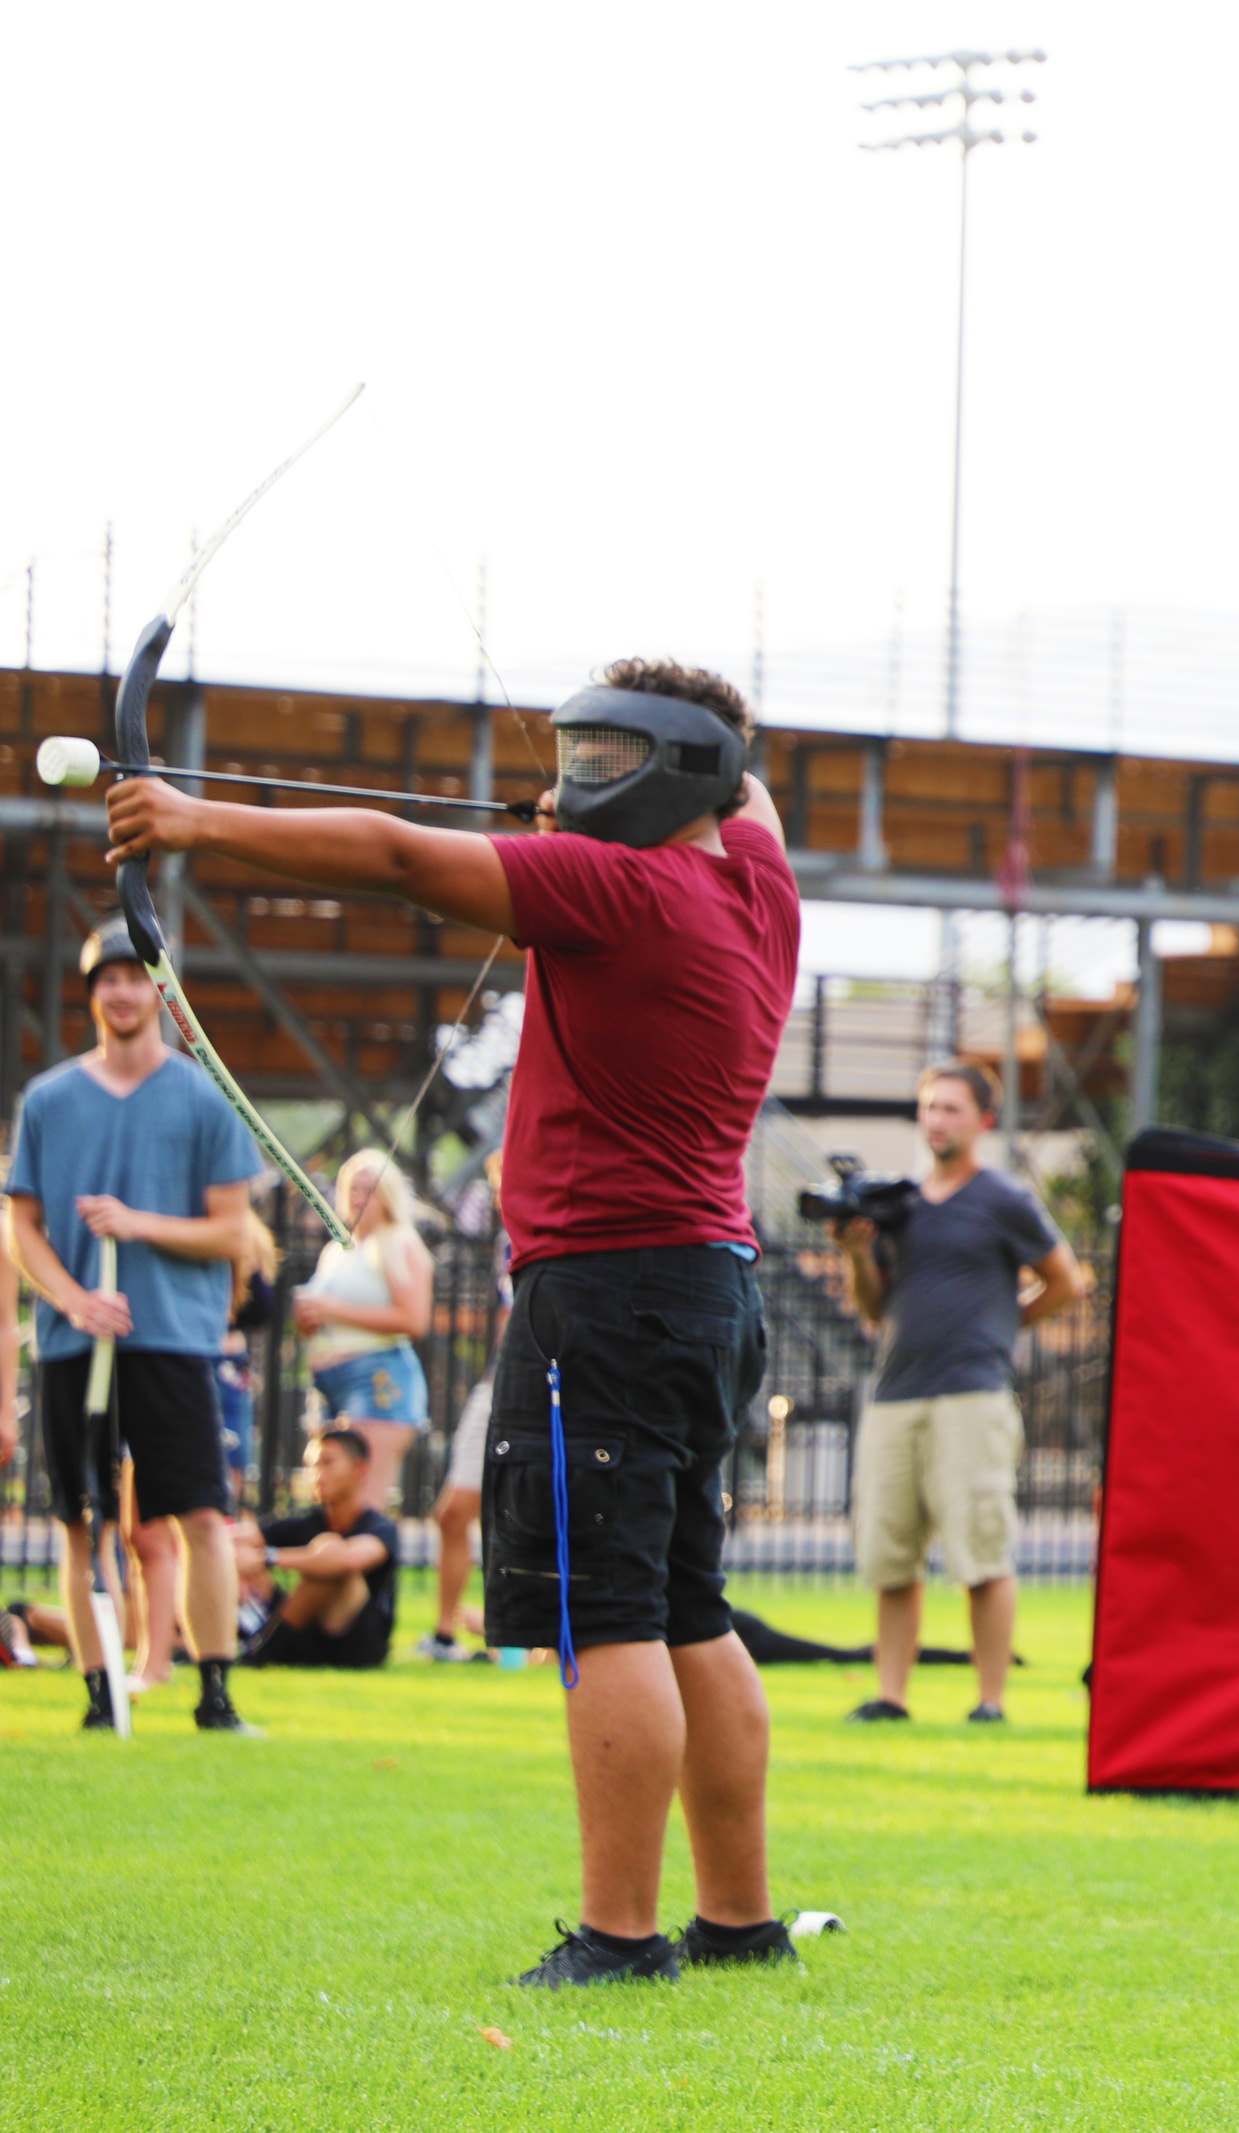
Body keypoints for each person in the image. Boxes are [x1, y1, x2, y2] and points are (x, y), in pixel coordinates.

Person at [108, 656, 802, 1989]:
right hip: (707, 1285)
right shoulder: (753, 883)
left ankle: (619, 1935)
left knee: (608, 1613)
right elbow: (753, 789)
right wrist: (599, 794)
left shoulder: (620, 886)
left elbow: (392, 853)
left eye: (607, 757)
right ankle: (737, 1918)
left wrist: (188, 819)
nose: (574, 781)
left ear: (675, 771)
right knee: (684, 1602)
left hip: (607, 1292)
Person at [3, 923, 267, 1736]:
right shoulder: (48, 1100)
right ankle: (97, 1692)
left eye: (134, 977)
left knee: (197, 1517)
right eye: (105, 979)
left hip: (173, 1339)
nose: (120, 992)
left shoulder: (201, 1094)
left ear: (161, 991)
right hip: (75, 1343)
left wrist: (139, 1223)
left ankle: (215, 1694)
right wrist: (74, 1300)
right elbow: (23, 1228)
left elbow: (234, 1231)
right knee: (81, 1522)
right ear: (91, 995)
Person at [834, 1061, 1087, 1726]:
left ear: (982, 1120)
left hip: (972, 1397)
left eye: (951, 1108)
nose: (937, 1119)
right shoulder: (900, 1203)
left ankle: (990, 1700)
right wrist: (858, 1255)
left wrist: (1008, 1326)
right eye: (929, 1107)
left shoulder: (1002, 1199)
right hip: (895, 1397)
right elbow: (873, 1309)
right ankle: (891, 1696)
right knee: (891, 1558)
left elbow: (1066, 1280)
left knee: (981, 1552)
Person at [294, 1149, 436, 1514]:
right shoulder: (337, 1250)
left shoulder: (399, 1242)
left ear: (387, 1195)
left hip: (376, 1380)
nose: (359, 1197)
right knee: (332, 1505)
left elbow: (414, 1320)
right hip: (329, 1383)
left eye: (369, 1189)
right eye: (352, 1188)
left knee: (363, 1506)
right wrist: (310, 1318)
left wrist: (331, 1309)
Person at [422, 1150, 508, 1662]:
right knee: (453, 1512)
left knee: (529, 1516)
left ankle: (530, 1641)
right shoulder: (507, 1239)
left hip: (551, 1387)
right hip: (501, 1380)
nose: (499, 1191)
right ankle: (445, 1633)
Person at [236, 1427, 402, 1669]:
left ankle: (262, 1651)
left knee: (330, 1551)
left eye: (328, 1463)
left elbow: (348, 1560)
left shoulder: (379, 1527)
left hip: (358, 1647)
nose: (317, 1475)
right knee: (231, 1554)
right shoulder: (307, 1521)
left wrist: (267, 1558)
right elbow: (239, 1538)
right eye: (312, 1465)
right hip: (306, 1637)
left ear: (360, 1469)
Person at [215, 1207, 282, 1506]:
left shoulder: (247, 1234)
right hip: (194, 1352)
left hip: (229, 1358)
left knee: (233, 1455)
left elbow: (261, 1310)